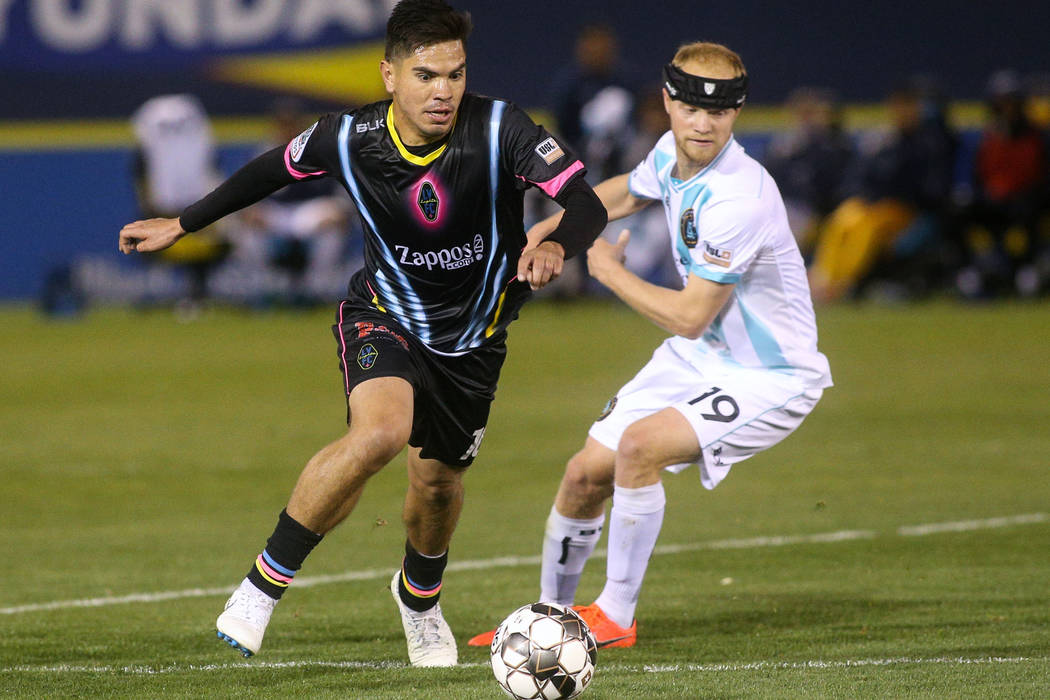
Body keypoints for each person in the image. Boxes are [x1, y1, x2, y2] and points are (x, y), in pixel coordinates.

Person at [117, 0, 607, 667]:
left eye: (455, 75)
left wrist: (559, 247)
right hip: (384, 315)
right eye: (426, 74)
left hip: (474, 340)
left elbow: (587, 202)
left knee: (436, 483)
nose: (443, 91)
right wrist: (184, 222)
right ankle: (261, 587)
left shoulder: (501, 129)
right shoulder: (348, 138)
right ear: (389, 75)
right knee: (378, 433)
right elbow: (268, 171)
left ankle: (420, 600)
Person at [469, 42, 832, 649]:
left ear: (737, 113)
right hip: (704, 356)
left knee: (639, 449)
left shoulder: (738, 197)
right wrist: (549, 230)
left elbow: (689, 316)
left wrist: (605, 270)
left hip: (769, 373)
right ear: (667, 101)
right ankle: (549, 623)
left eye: (718, 112)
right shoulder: (670, 153)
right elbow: (620, 195)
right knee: (584, 475)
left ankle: (615, 615)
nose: (702, 122)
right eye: (690, 106)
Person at [807, 79, 957, 302]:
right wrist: (865, 196)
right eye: (897, 106)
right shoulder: (886, 140)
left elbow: (928, 188)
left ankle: (843, 285)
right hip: (874, 205)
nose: (901, 112)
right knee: (843, 218)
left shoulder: (929, 141)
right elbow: (861, 178)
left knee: (867, 227)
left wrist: (887, 196)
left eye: (907, 106)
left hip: (905, 210)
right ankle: (821, 280)